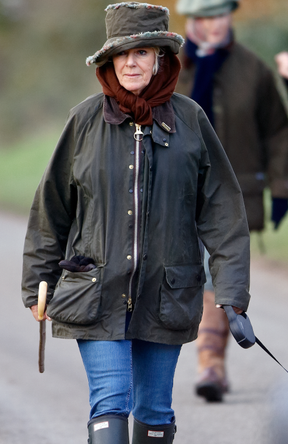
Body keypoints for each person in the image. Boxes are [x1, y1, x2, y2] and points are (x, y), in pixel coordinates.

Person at [21, 3, 251, 443]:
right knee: (110, 404)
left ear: (159, 58)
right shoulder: (84, 121)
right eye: (123, 53)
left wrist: (232, 292)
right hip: (95, 292)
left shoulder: (190, 120)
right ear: (109, 60)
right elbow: (51, 208)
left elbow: (223, 211)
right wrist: (37, 284)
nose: (131, 62)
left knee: (154, 413)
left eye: (143, 52)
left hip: (169, 293)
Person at [175, 0, 288, 403]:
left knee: (215, 273)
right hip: (176, 193)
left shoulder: (252, 69)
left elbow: (277, 132)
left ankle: (210, 363)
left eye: (220, 15)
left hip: (233, 194)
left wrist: (281, 187)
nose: (214, 24)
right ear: (190, 20)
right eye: (204, 17)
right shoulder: (165, 65)